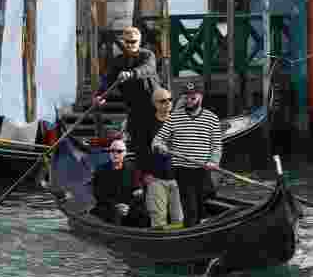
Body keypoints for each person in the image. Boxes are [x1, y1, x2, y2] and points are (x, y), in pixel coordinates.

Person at [152, 82, 222, 227]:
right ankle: (192, 232)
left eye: (193, 98)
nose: (189, 101)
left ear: (200, 97)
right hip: (182, 170)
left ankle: (201, 228)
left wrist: (213, 161)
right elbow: (158, 139)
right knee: (190, 208)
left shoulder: (212, 119)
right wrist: (160, 146)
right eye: (187, 98)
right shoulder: (174, 118)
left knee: (204, 206)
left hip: (203, 170)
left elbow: (217, 146)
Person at [94, 26, 159, 165]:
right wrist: (100, 95)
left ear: (139, 42)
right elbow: (107, 80)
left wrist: (131, 73)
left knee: (155, 144)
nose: (130, 45)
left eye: (133, 42)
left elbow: (147, 69)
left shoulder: (147, 55)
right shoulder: (118, 61)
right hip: (134, 108)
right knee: (138, 145)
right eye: (127, 42)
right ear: (123, 42)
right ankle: (142, 177)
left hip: (153, 107)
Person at [142, 87, 183, 228]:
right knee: (159, 220)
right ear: (155, 103)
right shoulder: (148, 124)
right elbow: (141, 152)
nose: (168, 103)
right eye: (163, 101)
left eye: (170, 100)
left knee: (179, 220)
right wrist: (146, 173)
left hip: (177, 178)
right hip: (156, 179)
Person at [90, 139, 148, 227]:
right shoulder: (100, 170)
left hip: (129, 206)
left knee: (143, 215)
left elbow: (138, 191)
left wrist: (128, 206)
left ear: (125, 153)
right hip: (108, 206)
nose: (115, 154)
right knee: (111, 214)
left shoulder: (133, 170)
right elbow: (98, 194)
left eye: (119, 151)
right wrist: (116, 206)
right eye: (112, 151)